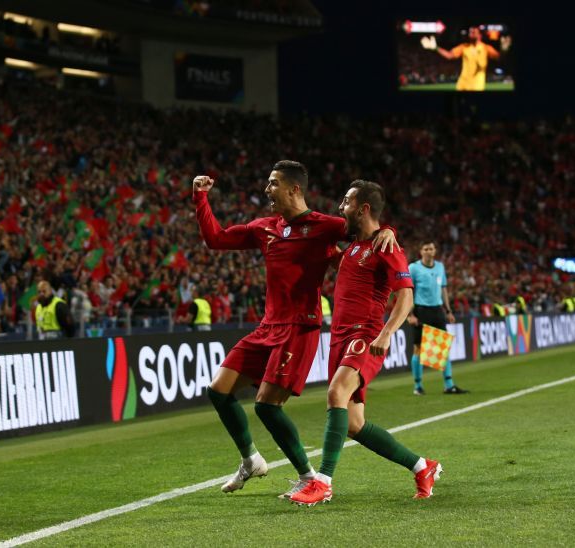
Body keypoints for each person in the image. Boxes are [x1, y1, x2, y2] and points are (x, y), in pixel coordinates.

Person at [192, 161, 399, 498]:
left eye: (273, 184)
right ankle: (250, 459)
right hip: (267, 326)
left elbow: (366, 226)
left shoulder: (325, 226)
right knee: (218, 390)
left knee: (266, 406)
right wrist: (200, 198)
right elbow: (216, 239)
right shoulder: (265, 228)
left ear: (294, 189)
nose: (266, 190)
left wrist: (388, 229)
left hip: (299, 328)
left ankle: (308, 475)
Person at [290, 180, 441, 506]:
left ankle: (323, 483)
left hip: (365, 334)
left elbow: (406, 295)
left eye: (346, 202)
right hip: (339, 338)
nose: (340, 207)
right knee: (354, 424)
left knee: (335, 393)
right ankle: (422, 467)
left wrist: (386, 333)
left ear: (364, 208)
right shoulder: (355, 247)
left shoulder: (386, 246)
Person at [407, 241, 467, 395]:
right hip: (421, 311)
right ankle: (418, 386)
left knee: (442, 348)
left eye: (431, 248)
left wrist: (448, 310)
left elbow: (443, 290)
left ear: (435, 251)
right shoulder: (413, 268)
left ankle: (449, 385)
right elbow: (407, 291)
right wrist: (409, 314)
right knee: (419, 349)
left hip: (437, 310)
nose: (428, 251)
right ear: (421, 251)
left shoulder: (440, 267)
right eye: (425, 248)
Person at [421, 26, 501, 91]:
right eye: (470, 32)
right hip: (462, 84)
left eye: (473, 32)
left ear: (479, 35)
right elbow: (449, 55)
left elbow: (499, 57)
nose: (471, 33)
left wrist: (504, 50)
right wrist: (436, 48)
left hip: (477, 85)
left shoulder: (486, 48)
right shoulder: (464, 47)